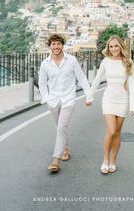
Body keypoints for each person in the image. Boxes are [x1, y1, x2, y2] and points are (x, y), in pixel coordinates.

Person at [39, 33, 90, 173]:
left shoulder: (71, 60)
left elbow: (81, 78)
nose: (56, 46)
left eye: (58, 44)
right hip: (53, 101)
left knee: (61, 128)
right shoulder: (45, 64)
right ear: (50, 46)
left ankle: (56, 160)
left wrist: (88, 95)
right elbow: (42, 83)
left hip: (68, 100)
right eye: (53, 44)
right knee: (61, 128)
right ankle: (65, 148)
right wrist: (46, 98)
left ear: (62, 45)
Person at [86, 35, 134, 174]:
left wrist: (133, 105)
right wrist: (89, 97)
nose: (114, 49)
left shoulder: (128, 62)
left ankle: (114, 160)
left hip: (123, 101)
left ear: (121, 46)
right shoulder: (106, 62)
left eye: (116, 46)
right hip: (108, 100)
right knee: (112, 131)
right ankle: (105, 160)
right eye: (111, 46)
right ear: (108, 48)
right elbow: (96, 80)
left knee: (118, 133)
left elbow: (132, 85)